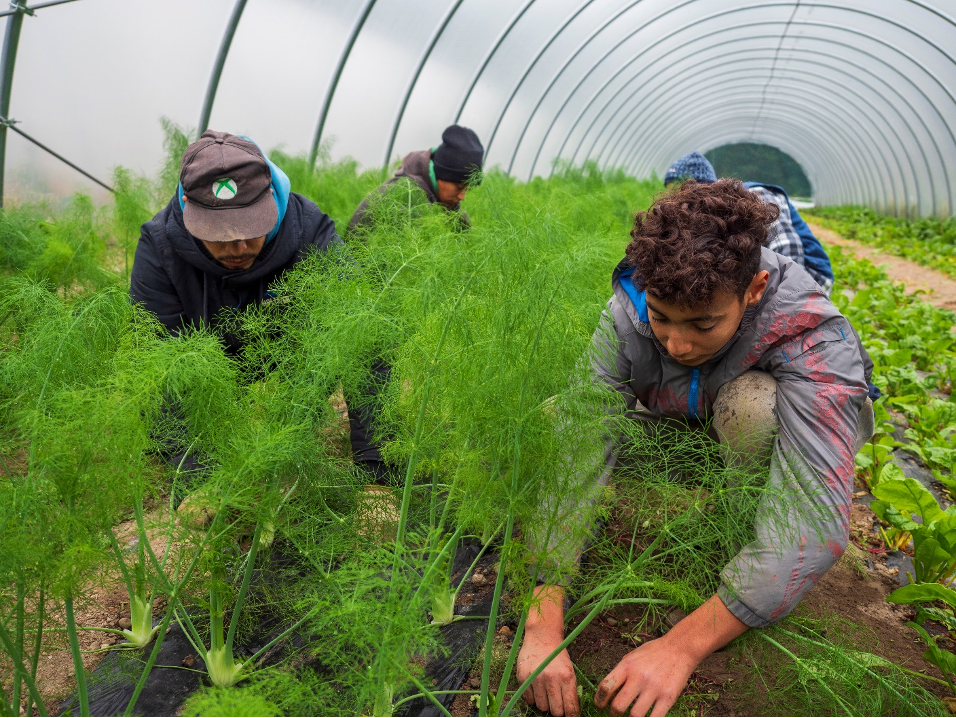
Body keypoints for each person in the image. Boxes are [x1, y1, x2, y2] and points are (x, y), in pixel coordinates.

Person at [517, 180, 875, 717]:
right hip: (675, 432)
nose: (677, 344)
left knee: (753, 408)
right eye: (661, 317)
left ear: (752, 291)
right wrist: (543, 621)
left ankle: (735, 534)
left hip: (750, 445)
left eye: (703, 323)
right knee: (557, 420)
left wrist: (680, 648)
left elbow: (813, 526)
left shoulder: (811, 332)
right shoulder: (627, 309)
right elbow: (578, 448)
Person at [130, 130, 389, 485]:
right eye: (219, 235)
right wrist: (194, 477)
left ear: (269, 198)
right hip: (209, 364)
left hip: (291, 356)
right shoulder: (160, 246)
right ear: (189, 210)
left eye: (251, 229)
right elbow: (156, 359)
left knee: (360, 323)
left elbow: (365, 330)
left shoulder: (308, 229)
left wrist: (376, 463)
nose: (237, 248)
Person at [664, 151, 835, 296]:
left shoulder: (757, 197)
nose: (678, 203)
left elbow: (788, 250)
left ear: (707, 189)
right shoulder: (708, 215)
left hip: (809, 279)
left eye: (684, 194)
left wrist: (787, 303)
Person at [348, 124, 484, 234]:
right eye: (459, 187)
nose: (462, 196)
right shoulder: (407, 198)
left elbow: (465, 235)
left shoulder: (444, 200)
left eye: (468, 189)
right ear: (441, 176)